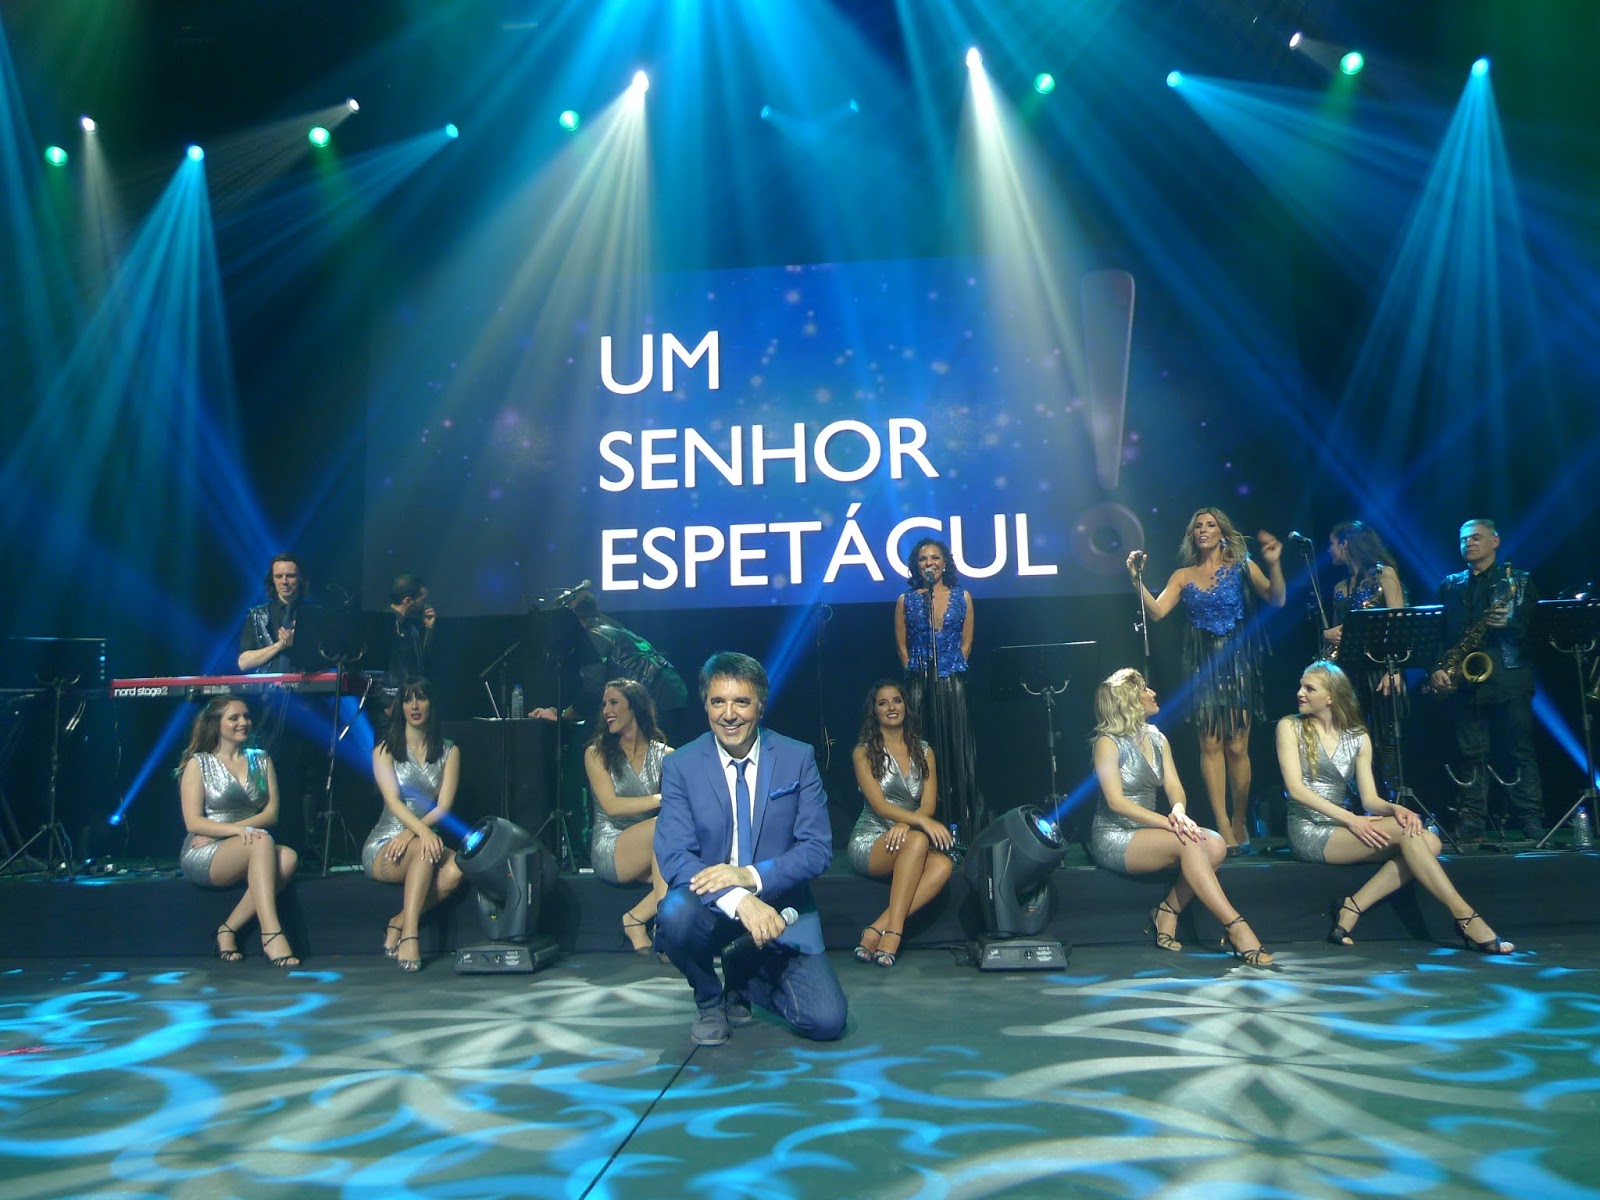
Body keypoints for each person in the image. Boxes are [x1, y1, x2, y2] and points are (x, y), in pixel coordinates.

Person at [654, 651, 846, 1047]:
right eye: (717, 702)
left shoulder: (797, 758)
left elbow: (816, 849)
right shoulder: (681, 766)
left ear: (761, 705)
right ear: (705, 705)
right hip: (711, 906)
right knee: (673, 912)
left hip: (780, 909)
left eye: (741, 701)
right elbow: (675, 856)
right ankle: (710, 999)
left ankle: (744, 974)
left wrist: (750, 877)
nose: (729, 714)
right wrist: (739, 898)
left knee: (826, 1022)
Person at [1277, 660, 1514, 954]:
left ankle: (1352, 906)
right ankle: (1464, 916)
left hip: (1341, 824)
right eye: (1301, 686)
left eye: (1309, 688)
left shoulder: (1358, 737)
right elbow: (1296, 790)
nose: (1300, 693)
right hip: (1309, 830)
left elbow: (1370, 800)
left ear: (1330, 696)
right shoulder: (1289, 727)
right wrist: (1352, 820)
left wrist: (1395, 810)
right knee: (1412, 835)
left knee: (1430, 840)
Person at [1127, 508, 1286, 854]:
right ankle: (1223, 824)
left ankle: (1240, 819)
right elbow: (1157, 611)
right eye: (1198, 526)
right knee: (1211, 745)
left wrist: (1274, 565)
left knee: (1237, 746)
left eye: (1210, 525)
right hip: (1202, 668)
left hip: (1237, 663)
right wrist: (1136, 579)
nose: (1203, 530)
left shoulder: (1242, 567)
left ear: (1222, 533)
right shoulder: (1183, 575)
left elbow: (1276, 598)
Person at [1089, 668, 1273, 966]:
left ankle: (1168, 910)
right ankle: (1236, 926)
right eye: (1144, 690)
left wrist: (1177, 811)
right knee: (1190, 842)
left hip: (1151, 829)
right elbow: (1116, 802)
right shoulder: (1107, 742)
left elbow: (1174, 785)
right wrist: (1167, 823)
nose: (1152, 693)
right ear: (1128, 700)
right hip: (1116, 835)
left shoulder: (1157, 737)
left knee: (1215, 844)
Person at [1430, 519, 1546, 842]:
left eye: (1476, 538)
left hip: (1509, 677)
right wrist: (1437, 667)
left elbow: (1537, 633)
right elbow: (1438, 634)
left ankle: (1531, 818)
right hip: (1467, 682)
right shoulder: (1450, 585)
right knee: (1471, 754)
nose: (1468, 543)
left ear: (1495, 541)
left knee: (1519, 749)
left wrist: (1511, 621)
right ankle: (1472, 821)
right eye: (1464, 539)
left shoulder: (1518, 581)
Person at [177, 696, 300, 967]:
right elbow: (193, 823)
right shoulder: (200, 763)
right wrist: (235, 831)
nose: (243, 722)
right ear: (216, 724)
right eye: (233, 718)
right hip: (205, 849)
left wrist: (238, 831)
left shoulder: (261, 759)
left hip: (245, 840)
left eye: (246, 716)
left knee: (288, 857)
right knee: (261, 841)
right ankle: (271, 933)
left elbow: (271, 814)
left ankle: (228, 929)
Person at [846, 680, 954, 968]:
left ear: (906, 706)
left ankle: (876, 929)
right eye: (883, 703)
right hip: (871, 838)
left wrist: (907, 825)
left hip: (908, 836)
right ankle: (894, 934)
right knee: (918, 840)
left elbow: (928, 805)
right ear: (875, 711)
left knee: (943, 866)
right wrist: (916, 823)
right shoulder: (863, 752)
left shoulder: (925, 751)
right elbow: (880, 806)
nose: (891, 707)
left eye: (897, 700)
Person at [363, 676, 463, 971]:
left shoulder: (449, 751)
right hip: (387, 842)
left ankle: (398, 921)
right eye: (408, 700)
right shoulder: (384, 750)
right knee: (423, 847)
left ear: (431, 704)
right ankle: (410, 935)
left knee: (458, 868)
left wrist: (417, 833)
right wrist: (416, 832)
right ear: (400, 707)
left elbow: (443, 807)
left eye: (421, 698)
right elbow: (393, 802)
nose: (415, 706)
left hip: (421, 837)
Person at [894, 537, 981, 842]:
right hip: (920, 682)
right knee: (923, 749)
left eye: (934, 557)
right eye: (923, 559)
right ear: (916, 566)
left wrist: (951, 668)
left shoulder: (962, 596)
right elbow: (902, 645)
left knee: (957, 749)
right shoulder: (907, 600)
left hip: (952, 681)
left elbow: (967, 642)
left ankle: (963, 826)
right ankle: (926, 823)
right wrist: (915, 674)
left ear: (944, 563)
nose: (929, 563)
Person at [584, 678, 673, 954]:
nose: (606, 711)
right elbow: (611, 806)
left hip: (653, 849)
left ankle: (635, 919)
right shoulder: (597, 754)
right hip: (611, 846)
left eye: (614, 703)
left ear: (634, 707)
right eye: (604, 704)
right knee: (663, 826)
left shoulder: (665, 755)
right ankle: (667, 928)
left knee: (690, 865)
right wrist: (660, 799)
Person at [1323, 520, 1408, 797]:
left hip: (1380, 668)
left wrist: (1395, 670)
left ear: (1345, 544)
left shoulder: (1384, 575)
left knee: (1386, 739)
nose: (1329, 550)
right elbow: (1336, 631)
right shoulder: (1340, 587)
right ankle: (1362, 801)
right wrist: (1328, 634)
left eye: (1332, 544)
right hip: (1349, 672)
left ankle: (1393, 798)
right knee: (1354, 739)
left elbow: (1399, 625)